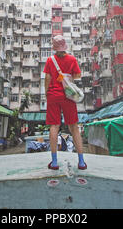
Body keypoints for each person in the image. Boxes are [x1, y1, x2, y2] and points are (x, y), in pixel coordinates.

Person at [44, 35, 87, 170]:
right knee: (74, 127)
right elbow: (77, 75)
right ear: (65, 46)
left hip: (53, 96)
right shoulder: (72, 59)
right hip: (69, 96)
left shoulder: (50, 60)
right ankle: (81, 162)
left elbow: (47, 78)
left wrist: (47, 94)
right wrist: (67, 78)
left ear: (55, 47)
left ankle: (55, 162)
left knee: (54, 126)